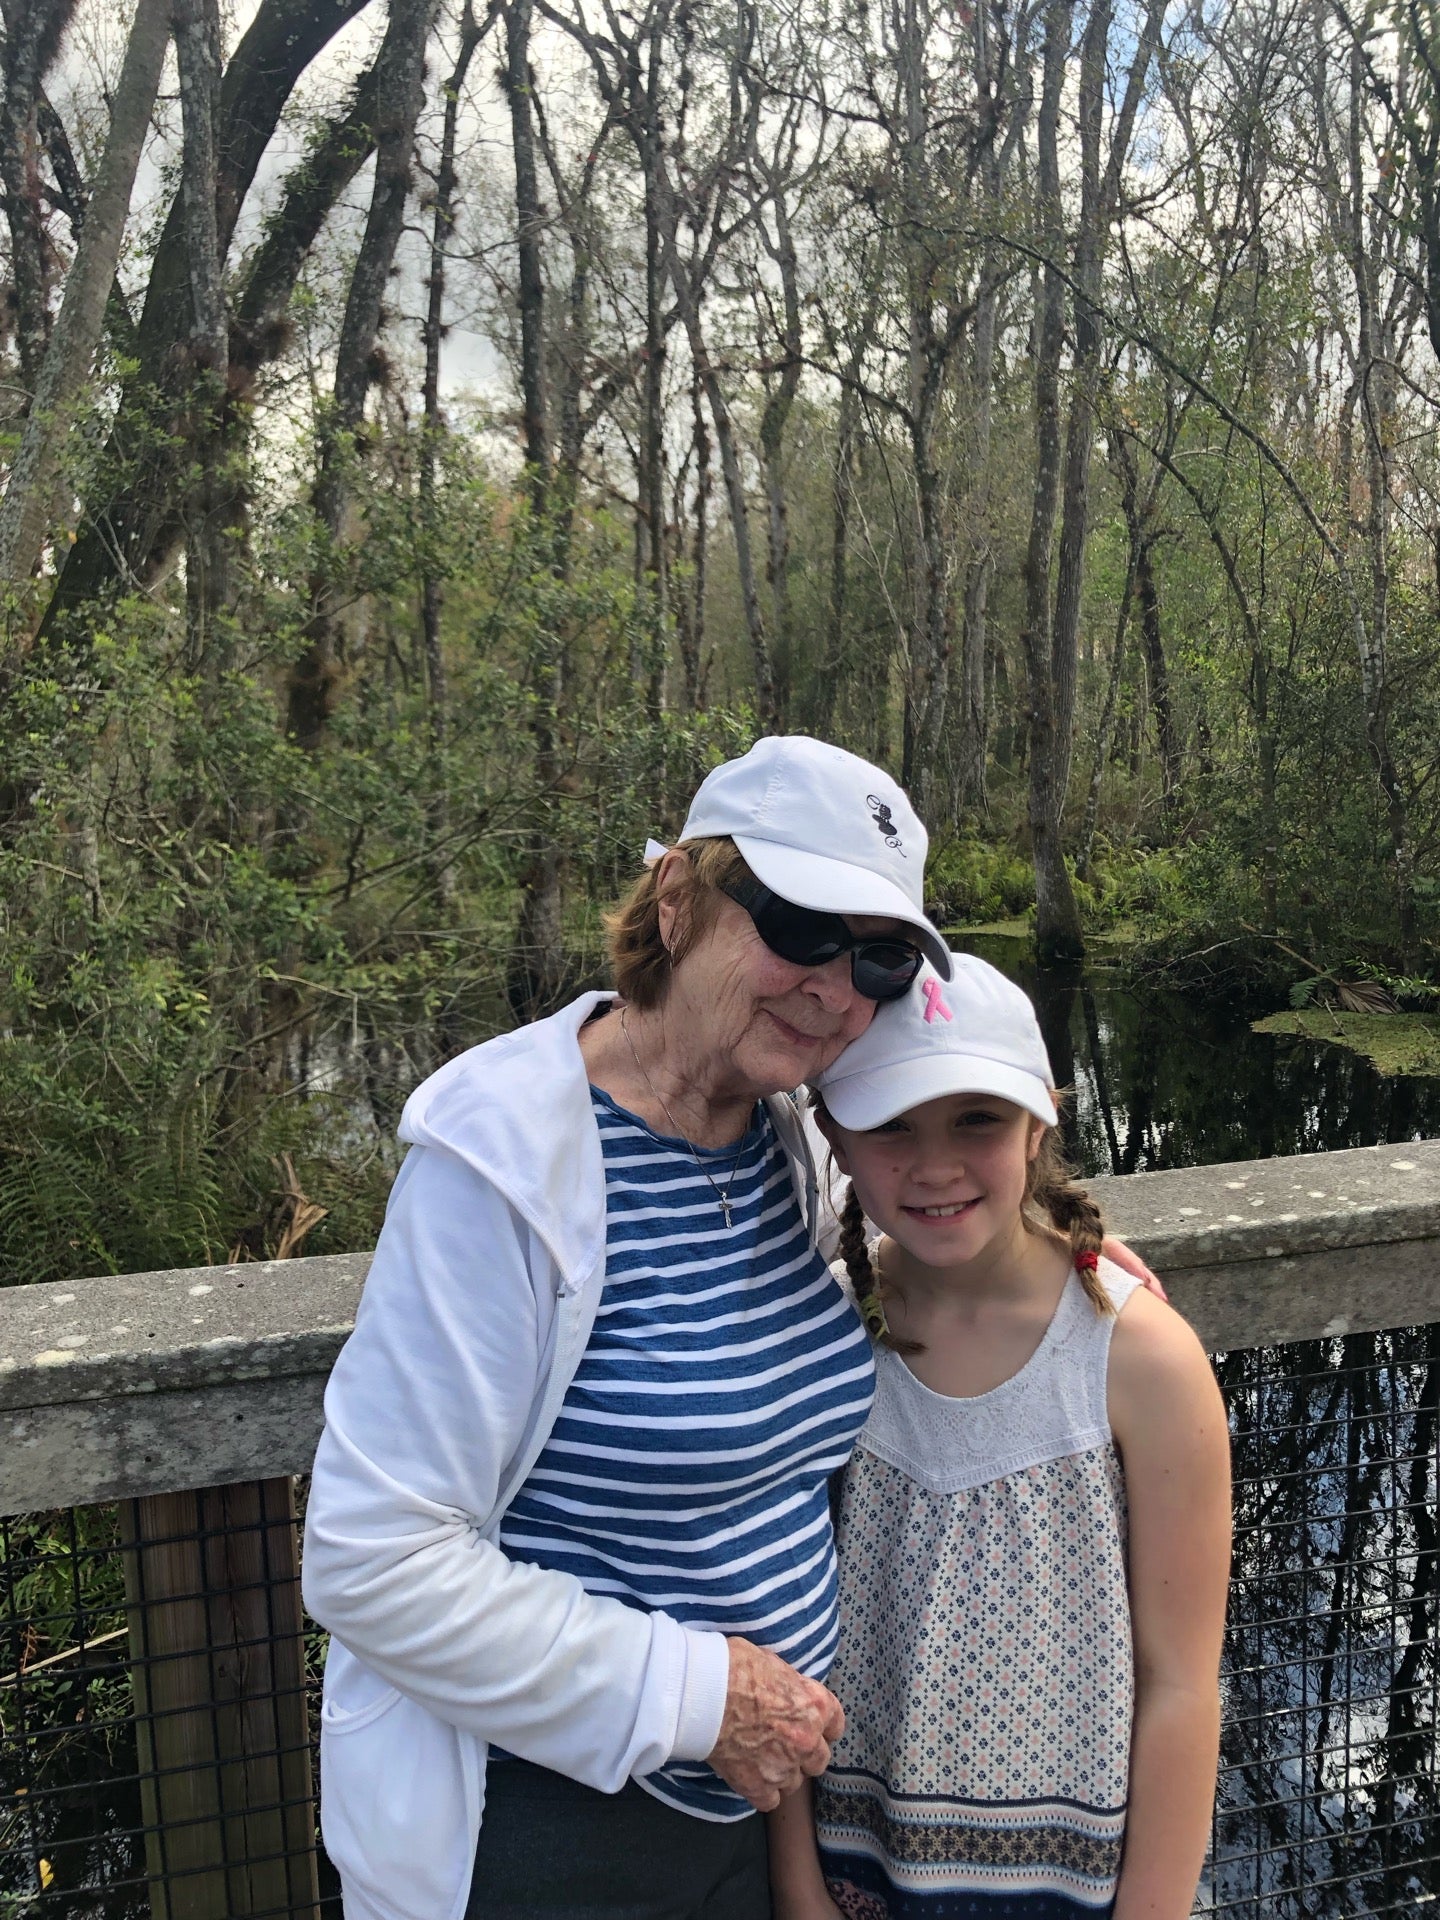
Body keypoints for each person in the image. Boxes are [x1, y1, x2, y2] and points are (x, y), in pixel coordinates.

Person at [302, 734, 1155, 1920]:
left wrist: (1050, 1251)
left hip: (770, 1811)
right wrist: (705, 1701)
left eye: (880, 962)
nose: (835, 987)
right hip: (556, 1829)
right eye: (801, 928)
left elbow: (916, 1218)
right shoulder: (499, 1167)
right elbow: (370, 1558)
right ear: (678, 898)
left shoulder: (789, 1136)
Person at [767, 953, 1232, 1920]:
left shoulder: (1140, 1361)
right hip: (856, 1864)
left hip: (1071, 1886)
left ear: (1040, 1122)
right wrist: (800, 1889)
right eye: (890, 1123)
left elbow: (1183, 1684)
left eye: (976, 1118)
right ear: (833, 1138)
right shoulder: (825, 1335)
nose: (934, 1164)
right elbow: (774, 1630)